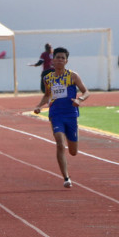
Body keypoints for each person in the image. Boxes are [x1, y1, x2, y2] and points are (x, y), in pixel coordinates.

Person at [32, 47, 89, 188]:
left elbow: (86, 91)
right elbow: (47, 95)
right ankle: (66, 177)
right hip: (56, 114)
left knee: (73, 151)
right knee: (59, 141)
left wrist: (80, 100)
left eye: (62, 58)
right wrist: (39, 106)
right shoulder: (48, 78)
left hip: (71, 115)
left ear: (66, 61)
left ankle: (72, 140)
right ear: (53, 60)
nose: (59, 60)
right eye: (57, 57)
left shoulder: (73, 76)